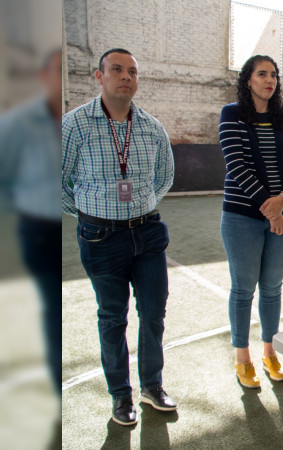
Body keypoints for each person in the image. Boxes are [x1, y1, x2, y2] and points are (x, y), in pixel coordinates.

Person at [62, 48, 176, 426]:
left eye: (132, 71)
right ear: (99, 76)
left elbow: (164, 177)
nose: (125, 76)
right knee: (112, 318)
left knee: (154, 314)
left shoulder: (151, 127)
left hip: (147, 234)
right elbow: (58, 182)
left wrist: (138, 206)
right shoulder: (75, 125)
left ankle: (152, 386)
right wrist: (89, 213)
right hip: (99, 237)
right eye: (116, 70)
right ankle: (120, 396)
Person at [218, 54, 283, 388]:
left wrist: (281, 201)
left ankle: (270, 351)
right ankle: (243, 357)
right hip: (241, 216)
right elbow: (236, 165)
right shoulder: (232, 114)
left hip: (282, 214)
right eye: (262, 74)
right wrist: (270, 209)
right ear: (248, 79)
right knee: (243, 289)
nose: (270, 80)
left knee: (272, 288)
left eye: (274, 74)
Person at [0, 50, 62, 401]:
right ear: (44, 77)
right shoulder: (18, 124)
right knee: (47, 308)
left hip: (68, 229)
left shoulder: (72, 123)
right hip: (36, 231)